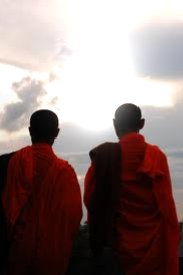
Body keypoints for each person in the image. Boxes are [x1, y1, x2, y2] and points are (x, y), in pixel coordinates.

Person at [84, 103, 180, 275]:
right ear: (142, 123)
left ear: (114, 123)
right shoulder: (156, 156)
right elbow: (166, 206)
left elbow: (91, 199)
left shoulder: (104, 156)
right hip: (154, 250)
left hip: (117, 247)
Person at [0, 109, 82, 275]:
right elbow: (74, 217)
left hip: (15, 255)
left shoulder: (7, 163)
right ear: (57, 132)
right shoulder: (66, 172)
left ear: (30, 130)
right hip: (52, 258)